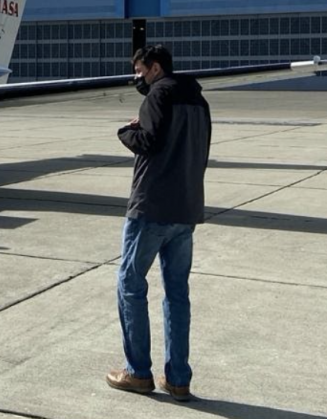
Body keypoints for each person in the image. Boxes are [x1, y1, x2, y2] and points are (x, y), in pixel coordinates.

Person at [107, 44, 210, 402]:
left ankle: (137, 373)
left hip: (151, 208)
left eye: (138, 71)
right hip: (186, 209)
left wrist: (126, 131)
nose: (137, 78)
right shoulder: (199, 101)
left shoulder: (156, 96)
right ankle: (178, 379)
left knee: (130, 286)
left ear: (153, 68)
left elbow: (148, 142)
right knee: (177, 293)